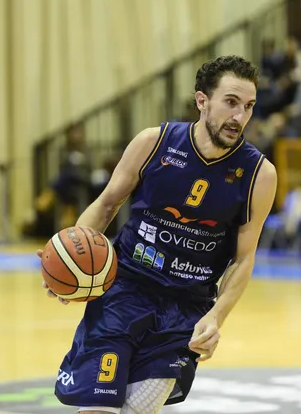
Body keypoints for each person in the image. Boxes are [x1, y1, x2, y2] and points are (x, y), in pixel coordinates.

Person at [37, 55, 277, 414]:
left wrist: (216, 317)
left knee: (137, 410)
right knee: (98, 409)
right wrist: (67, 260)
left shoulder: (259, 174)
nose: (240, 116)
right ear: (202, 101)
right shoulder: (154, 142)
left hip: (185, 308)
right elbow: (106, 204)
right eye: (231, 102)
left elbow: (244, 258)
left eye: (248, 106)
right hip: (123, 291)